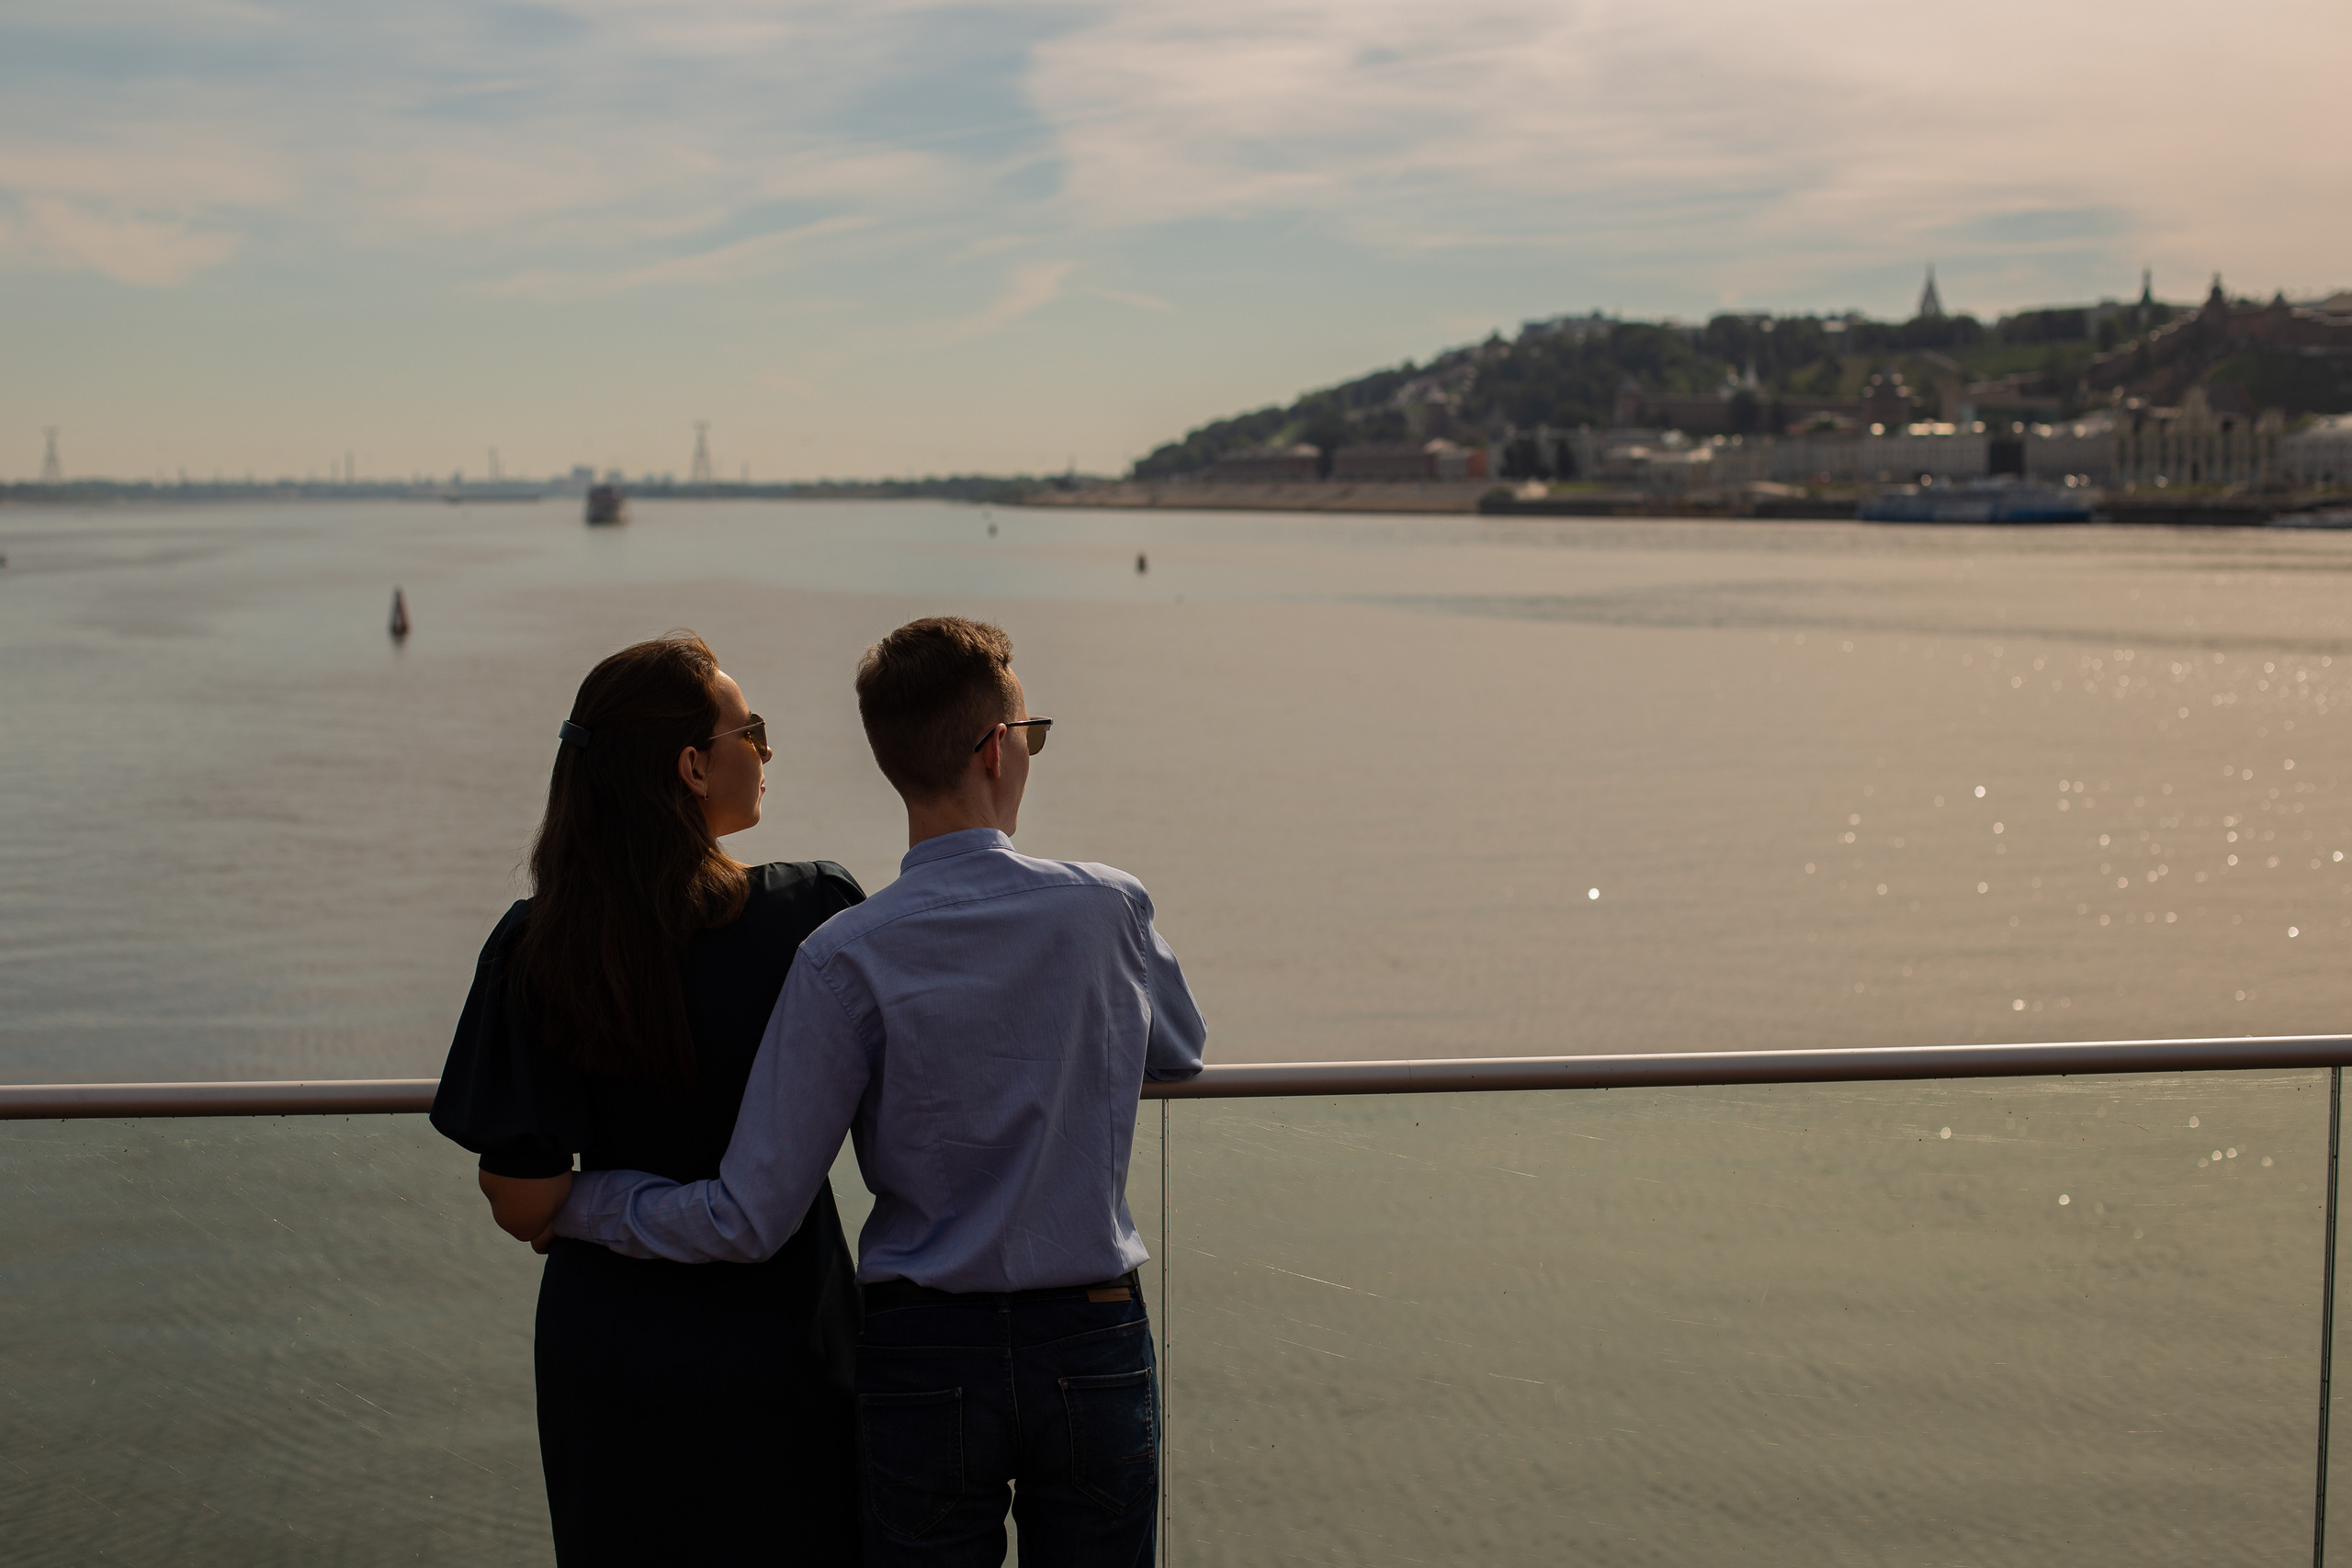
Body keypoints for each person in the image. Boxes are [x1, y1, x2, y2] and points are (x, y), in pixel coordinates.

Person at [554, 615, 1206, 1568]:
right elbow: (1179, 1052)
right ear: (995, 749)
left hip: (924, 1351)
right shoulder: (1105, 907)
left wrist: (583, 1201)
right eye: (1029, 737)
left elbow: (748, 1217)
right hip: (1090, 1337)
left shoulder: (842, 955)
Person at [431, 633, 865, 1565]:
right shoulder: (812, 916)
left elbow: (524, 1202)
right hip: (785, 1337)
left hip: (616, 1349)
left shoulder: (537, 949)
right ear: (692, 766)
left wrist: (597, 1201)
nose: (766, 749)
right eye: (752, 730)